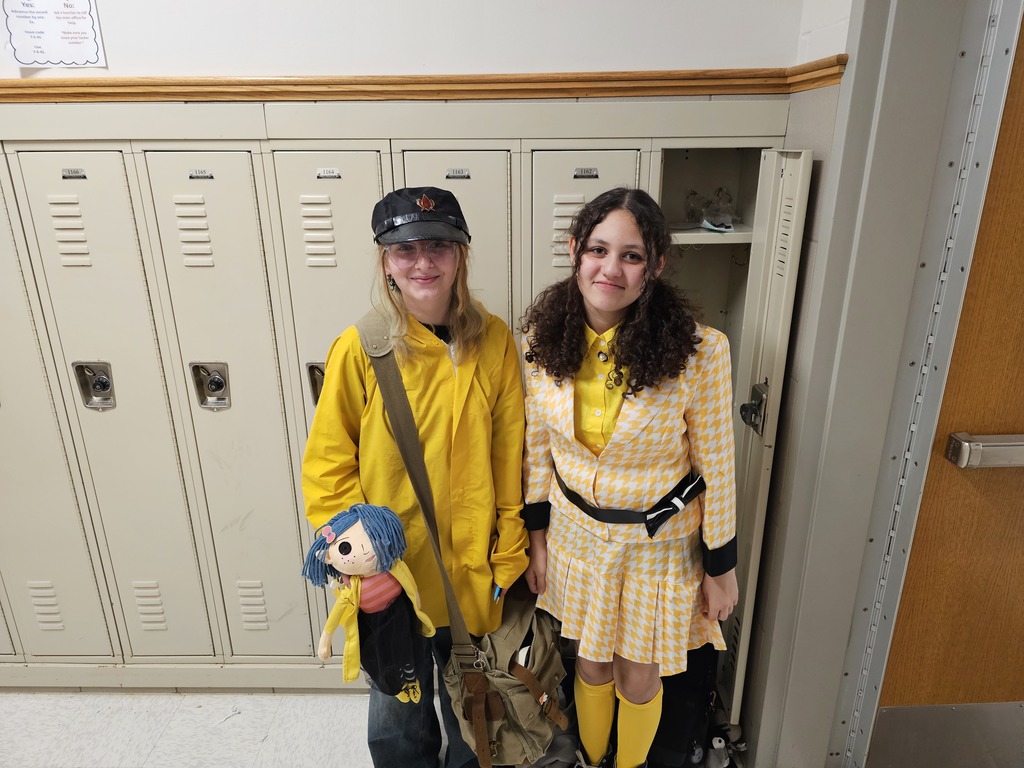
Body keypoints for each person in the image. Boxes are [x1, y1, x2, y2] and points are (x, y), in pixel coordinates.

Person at [302, 186, 529, 768]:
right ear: (385, 261)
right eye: (405, 250)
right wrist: (363, 568)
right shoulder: (362, 348)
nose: (423, 261)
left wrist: (510, 550)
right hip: (393, 575)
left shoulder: (496, 341)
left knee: (474, 711)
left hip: (473, 568)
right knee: (399, 719)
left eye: (438, 246)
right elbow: (328, 471)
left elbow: (511, 456)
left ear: (460, 256)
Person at [519, 187, 739, 768]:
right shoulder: (543, 344)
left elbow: (716, 467)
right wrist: (536, 540)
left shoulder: (701, 353)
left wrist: (722, 568)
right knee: (589, 664)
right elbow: (537, 451)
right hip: (575, 538)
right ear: (575, 251)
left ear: (656, 265)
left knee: (637, 674)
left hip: (655, 545)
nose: (610, 268)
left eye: (632, 255)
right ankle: (593, 760)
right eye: (598, 249)